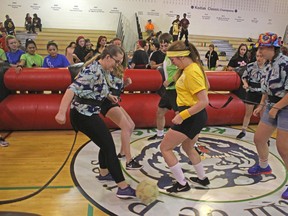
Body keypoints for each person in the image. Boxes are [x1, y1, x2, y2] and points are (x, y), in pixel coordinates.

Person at [55, 45, 136, 198]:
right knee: (109, 147)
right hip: (82, 115)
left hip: (89, 112)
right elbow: (71, 89)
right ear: (107, 57)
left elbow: (100, 87)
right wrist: (61, 113)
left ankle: (105, 172)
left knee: (105, 143)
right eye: (117, 61)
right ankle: (122, 187)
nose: (118, 65)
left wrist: (109, 96)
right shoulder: (92, 70)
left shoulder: (103, 70)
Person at [160, 40, 210, 193]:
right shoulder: (191, 68)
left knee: (165, 148)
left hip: (191, 115)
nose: (173, 63)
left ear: (181, 57)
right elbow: (207, 86)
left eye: (173, 59)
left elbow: (204, 101)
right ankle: (202, 178)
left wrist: (182, 115)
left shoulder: (192, 72)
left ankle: (182, 184)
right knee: (188, 146)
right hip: (196, 115)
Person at [248, 32, 288, 200]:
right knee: (259, 138)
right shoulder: (268, 64)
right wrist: (262, 104)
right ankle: (264, 166)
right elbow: (266, 88)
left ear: (273, 48)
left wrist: (277, 107)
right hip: (271, 105)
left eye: (263, 48)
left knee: (283, 148)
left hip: (285, 106)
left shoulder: (285, 64)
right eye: (260, 47)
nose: (260, 51)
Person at [97, 47, 142, 170]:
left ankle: (122, 153)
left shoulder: (117, 69)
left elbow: (116, 87)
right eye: (117, 60)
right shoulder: (106, 68)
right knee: (126, 126)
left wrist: (125, 84)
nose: (119, 63)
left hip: (113, 101)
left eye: (120, 60)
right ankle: (129, 160)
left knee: (131, 125)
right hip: (106, 102)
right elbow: (103, 87)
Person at [148, 33, 178, 141]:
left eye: (166, 45)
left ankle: (191, 142)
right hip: (169, 90)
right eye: (162, 46)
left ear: (171, 43)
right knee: (160, 112)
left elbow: (183, 70)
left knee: (181, 116)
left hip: (176, 90)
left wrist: (169, 80)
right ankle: (160, 134)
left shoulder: (175, 55)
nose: (164, 48)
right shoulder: (167, 56)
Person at [236, 49, 266, 139]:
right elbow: (244, 77)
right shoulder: (250, 66)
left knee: (263, 115)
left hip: (263, 93)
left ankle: (263, 135)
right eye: (257, 56)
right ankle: (243, 130)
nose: (259, 58)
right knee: (248, 113)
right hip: (251, 91)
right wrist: (245, 84)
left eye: (261, 56)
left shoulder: (269, 67)